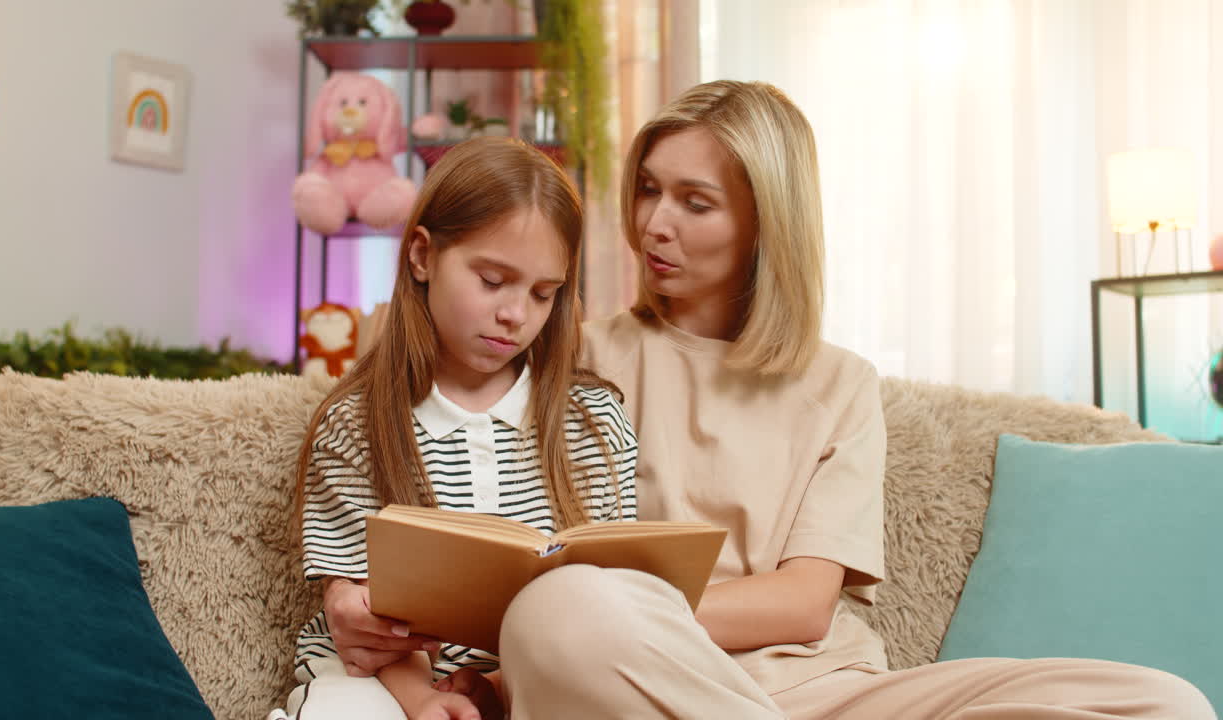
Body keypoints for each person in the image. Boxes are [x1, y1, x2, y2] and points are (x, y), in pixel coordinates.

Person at [487, 80, 1215, 719]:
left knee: (1164, 703)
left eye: (695, 203)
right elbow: (528, 565)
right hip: (642, 681)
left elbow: (804, 604)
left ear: (765, 223)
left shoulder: (840, 383)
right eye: (649, 188)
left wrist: (639, 612)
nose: (654, 222)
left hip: (828, 694)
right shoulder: (571, 358)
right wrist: (602, 627)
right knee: (556, 608)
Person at [272, 137, 638, 720]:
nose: (515, 314)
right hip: (380, 677)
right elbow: (361, 617)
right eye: (492, 280)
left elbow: (610, 607)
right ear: (422, 256)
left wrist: (497, 685)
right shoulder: (354, 424)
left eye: (543, 294)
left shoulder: (592, 421)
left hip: (537, 677)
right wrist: (424, 701)